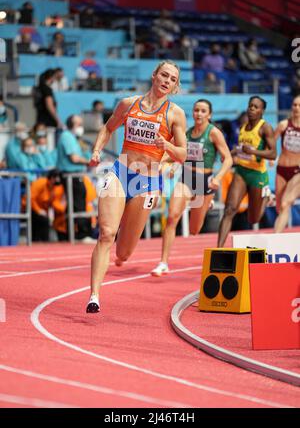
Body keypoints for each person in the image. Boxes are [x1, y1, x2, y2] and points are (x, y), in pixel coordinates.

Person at [86, 60, 187, 313]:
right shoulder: (128, 104)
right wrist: (97, 150)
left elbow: (183, 154)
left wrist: (168, 147)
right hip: (121, 173)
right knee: (106, 233)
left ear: (175, 86)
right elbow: (108, 128)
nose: (167, 80)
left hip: (148, 182)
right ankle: (94, 296)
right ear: (154, 76)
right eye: (164, 75)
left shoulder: (175, 114)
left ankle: (120, 256)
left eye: (172, 79)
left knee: (124, 252)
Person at [151, 99, 232, 276]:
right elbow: (175, 154)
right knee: (172, 217)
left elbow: (229, 159)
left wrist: (218, 178)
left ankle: (205, 204)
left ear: (209, 115)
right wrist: (163, 162)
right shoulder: (186, 133)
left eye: (203, 111)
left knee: (195, 229)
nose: (199, 114)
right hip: (186, 178)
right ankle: (163, 262)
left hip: (205, 181)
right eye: (196, 110)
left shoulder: (214, 133)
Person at [217, 96, 277, 247]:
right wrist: (230, 154)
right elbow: (240, 147)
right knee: (229, 209)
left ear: (262, 111)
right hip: (241, 171)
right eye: (250, 106)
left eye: (256, 107)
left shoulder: (265, 128)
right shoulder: (243, 126)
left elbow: (273, 153)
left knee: (253, 219)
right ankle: (218, 249)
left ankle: (267, 196)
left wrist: (254, 151)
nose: (252, 109)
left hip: (257, 175)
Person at [56, 115, 94, 242]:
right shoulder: (67, 136)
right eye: (79, 124)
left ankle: (68, 234)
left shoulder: (74, 138)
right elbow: (74, 158)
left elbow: (81, 155)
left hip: (76, 175)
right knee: (78, 204)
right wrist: (89, 162)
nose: (81, 127)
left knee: (75, 204)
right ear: (72, 125)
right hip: (70, 175)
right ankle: (82, 234)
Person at [274, 95, 300, 232]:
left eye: (299, 105)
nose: (296, 108)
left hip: (297, 171)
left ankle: (275, 238)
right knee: (279, 207)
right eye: (294, 105)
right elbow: (271, 142)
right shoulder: (284, 125)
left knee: (285, 203)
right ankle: (281, 237)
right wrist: (271, 157)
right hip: (282, 170)